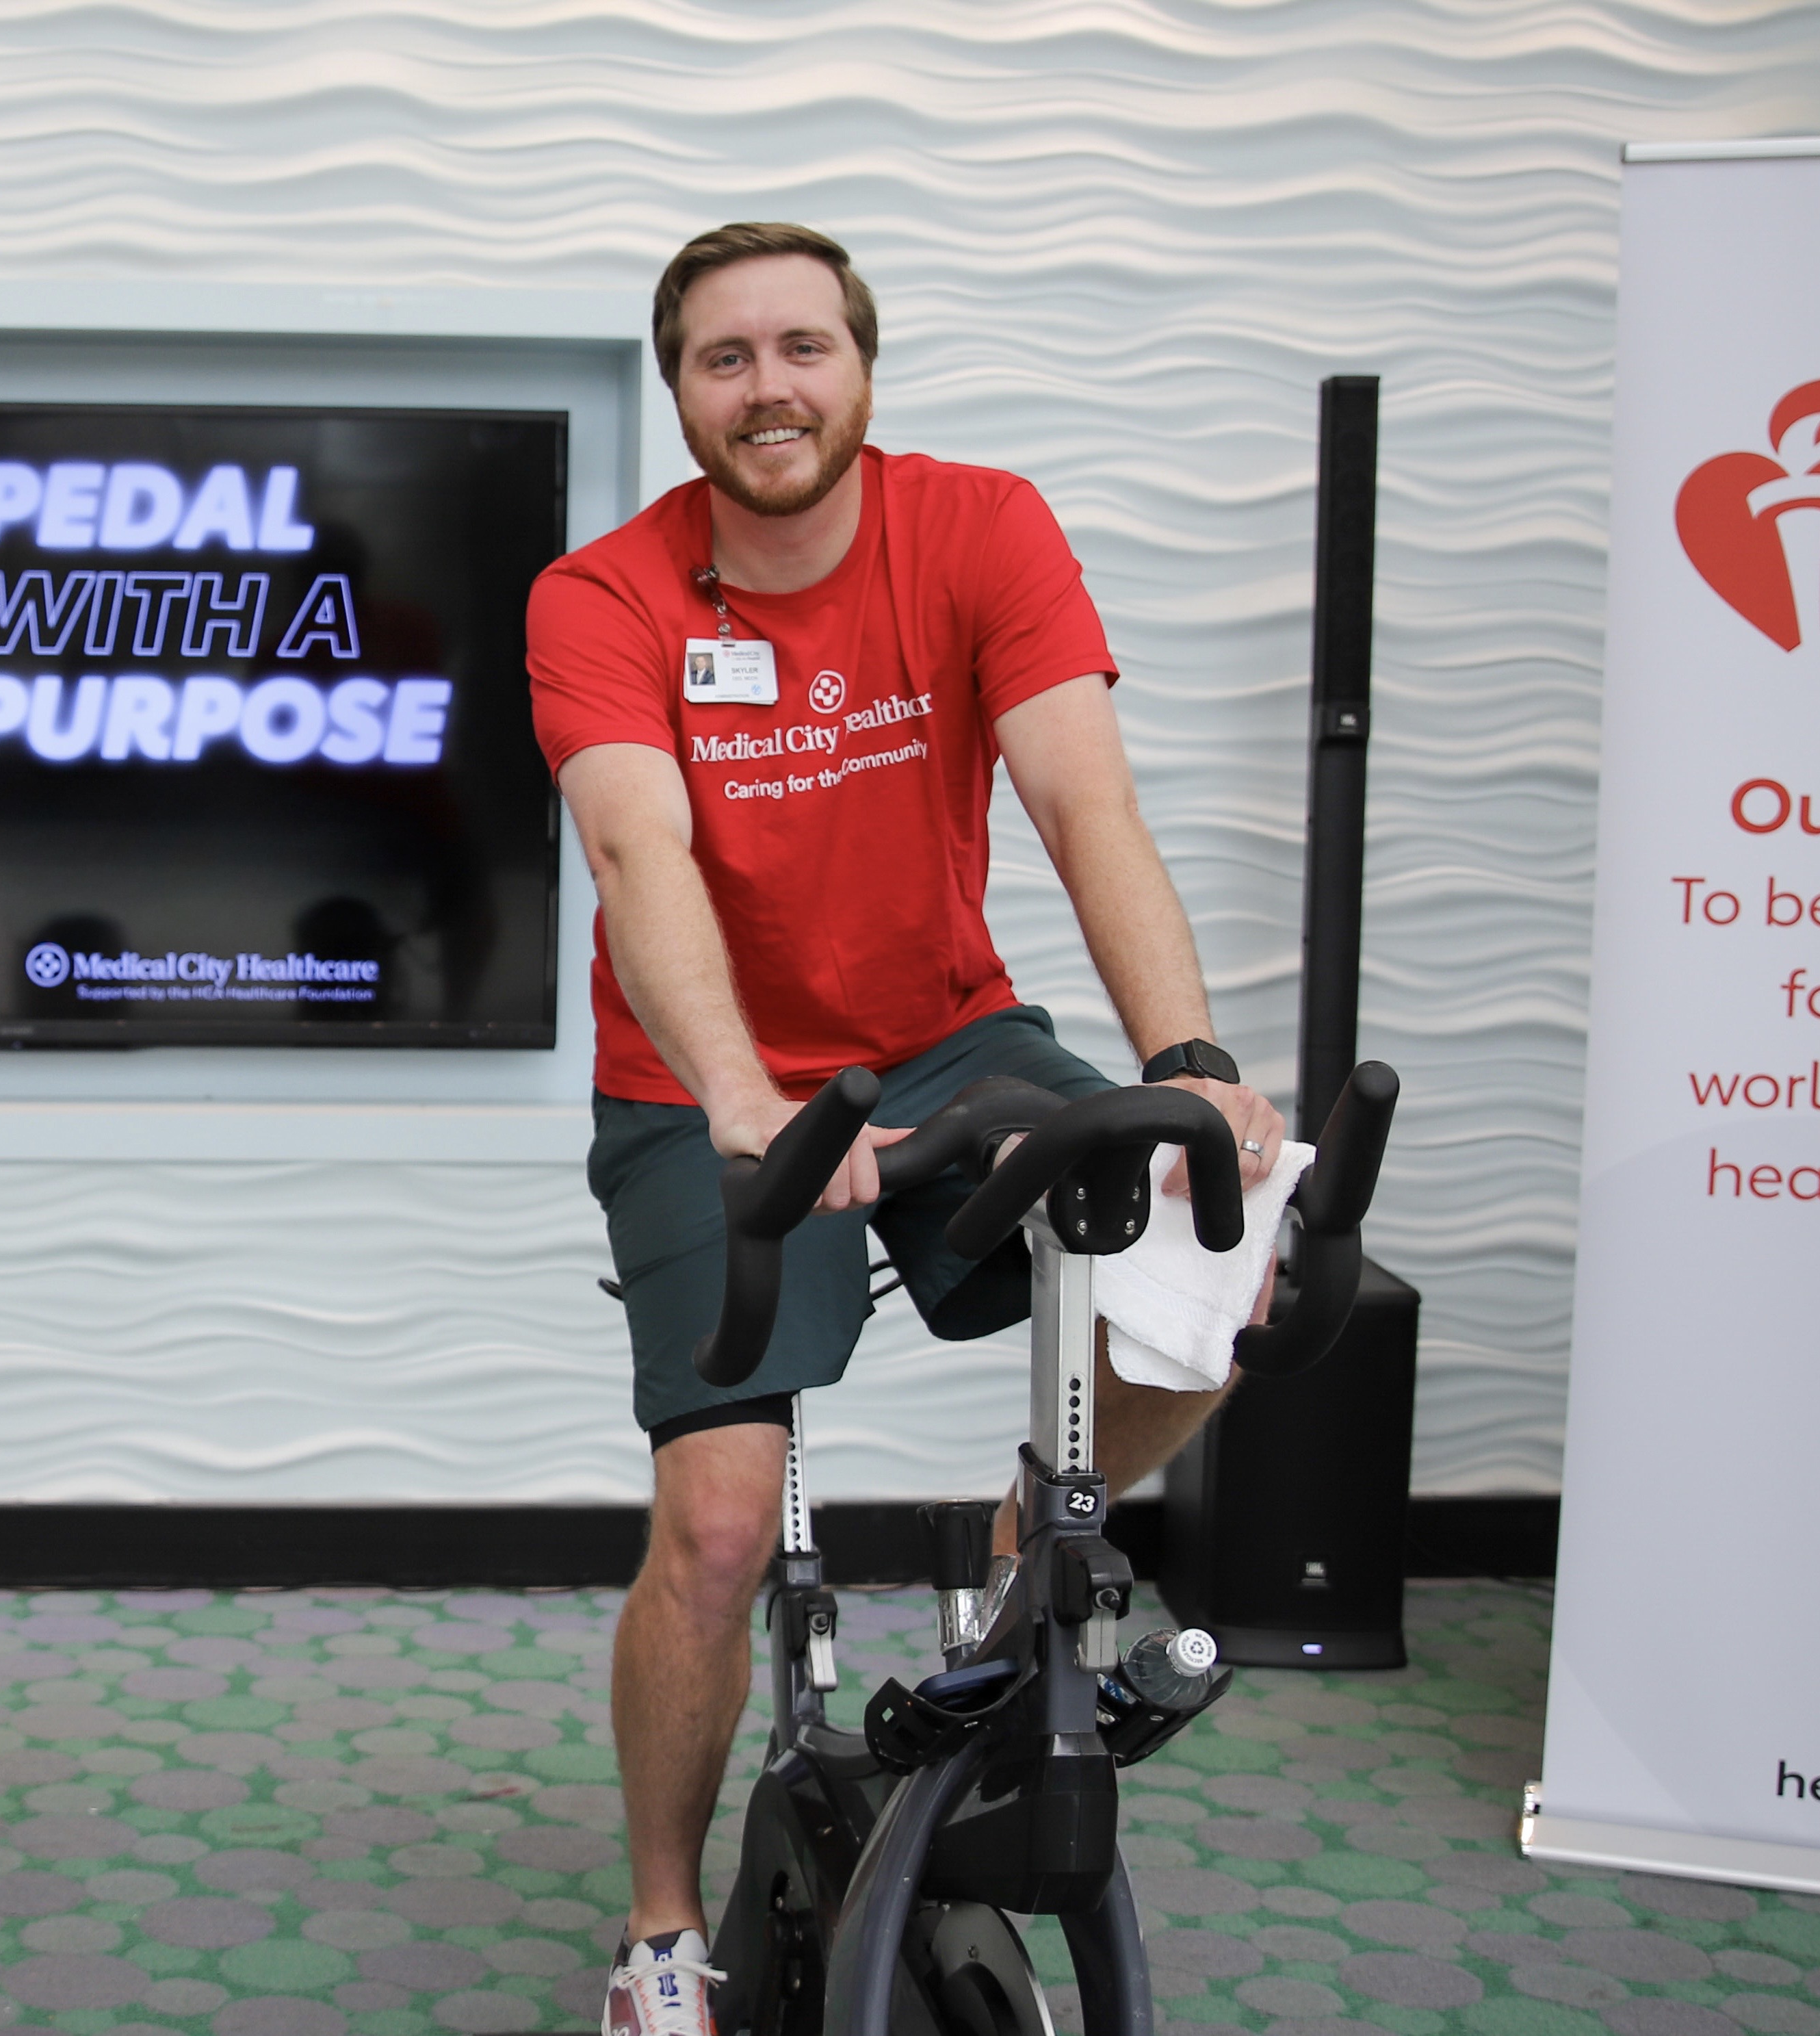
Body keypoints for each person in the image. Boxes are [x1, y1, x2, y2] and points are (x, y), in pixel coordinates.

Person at [527, 223, 1286, 2036]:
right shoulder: (602, 594)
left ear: (860, 366)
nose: (767, 386)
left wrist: (1184, 1057)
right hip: (700, 1080)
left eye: (801, 346)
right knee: (718, 1527)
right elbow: (638, 847)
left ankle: (1029, 1544)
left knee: (1218, 1255)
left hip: (944, 1038)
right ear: (678, 390)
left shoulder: (977, 528)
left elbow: (1081, 797)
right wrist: (740, 1094)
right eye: (723, 357)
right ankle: (658, 1929)